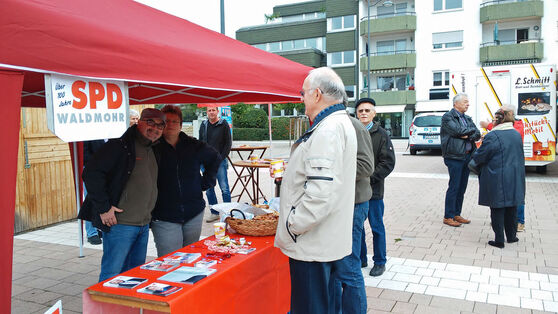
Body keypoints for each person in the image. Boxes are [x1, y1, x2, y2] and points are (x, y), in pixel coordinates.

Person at [275, 67, 357, 314]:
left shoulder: (328, 129)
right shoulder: (338, 123)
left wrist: (293, 225)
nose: (301, 98)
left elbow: (320, 194)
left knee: (310, 307)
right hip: (323, 241)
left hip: (312, 244)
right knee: (325, 305)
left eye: (303, 93)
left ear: (317, 94)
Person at [78, 108, 165, 282]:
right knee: (112, 274)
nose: (155, 128)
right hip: (121, 224)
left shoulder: (154, 148)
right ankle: (104, 308)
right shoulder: (120, 145)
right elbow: (91, 173)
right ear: (139, 122)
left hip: (143, 223)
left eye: (160, 125)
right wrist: (104, 208)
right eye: (150, 122)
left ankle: (129, 309)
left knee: (134, 274)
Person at [151, 105, 220, 257]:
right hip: (164, 215)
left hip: (193, 212)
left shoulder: (192, 145)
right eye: (166, 121)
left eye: (175, 121)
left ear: (181, 124)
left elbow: (215, 157)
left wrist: (206, 182)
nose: (170, 125)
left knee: (190, 258)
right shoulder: (153, 147)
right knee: (170, 260)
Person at [330, 114, 374, 314]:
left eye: (306, 95)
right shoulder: (325, 125)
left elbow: (366, 166)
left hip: (353, 204)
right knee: (334, 270)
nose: (303, 101)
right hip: (335, 205)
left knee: (348, 268)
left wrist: (326, 172)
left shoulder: (352, 125)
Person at [471, 106, 525, 248]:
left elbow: (481, 156)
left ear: (498, 120)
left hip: (498, 176)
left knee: (497, 208)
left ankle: (499, 240)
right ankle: (512, 237)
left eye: (494, 119)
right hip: (514, 176)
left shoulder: (493, 136)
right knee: (512, 206)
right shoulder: (515, 134)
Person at [356, 98, 396, 277]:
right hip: (355, 192)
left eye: (367, 110)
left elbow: (388, 162)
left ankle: (380, 261)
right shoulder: (352, 132)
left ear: (374, 113)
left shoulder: (381, 134)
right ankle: (361, 258)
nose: (363, 113)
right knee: (357, 227)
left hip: (374, 191)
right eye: (360, 111)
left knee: (377, 227)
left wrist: (369, 178)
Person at [441, 93, 481, 227]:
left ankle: (457, 213)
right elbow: (457, 130)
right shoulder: (448, 117)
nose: (467, 104)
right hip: (454, 157)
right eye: (465, 102)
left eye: (468, 102)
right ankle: (448, 216)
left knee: (462, 187)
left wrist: (466, 135)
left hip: (467, 156)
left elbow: (477, 133)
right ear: (455, 104)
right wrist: (464, 133)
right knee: (454, 186)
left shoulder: (467, 118)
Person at [480, 117, 526, 232]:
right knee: (510, 198)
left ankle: (518, 223)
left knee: (508, 200)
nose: (493, 121)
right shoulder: (509, 131)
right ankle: (510, 233)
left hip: (506, 168)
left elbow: (481, 155)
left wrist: (489, 126)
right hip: (510, 167)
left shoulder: (516, 127)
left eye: (495, 119)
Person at [199, 106, 232, 222]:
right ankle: (214, 212)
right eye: (209, 110)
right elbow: (200, 143)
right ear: (207, 112)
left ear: (218, 112)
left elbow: (228, 144)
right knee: (209, 189)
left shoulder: (224, 125)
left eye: (213, 110)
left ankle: (228, 212)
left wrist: (220, 158)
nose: (211, 112)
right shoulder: (204, 125)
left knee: (224, 188)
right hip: (206, 162)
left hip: (220, 161)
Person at [83, 139, 106, 245]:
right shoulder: (90, 133)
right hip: (91, 168)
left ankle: (98, 227)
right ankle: (91, 233)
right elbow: (84, 154)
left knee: (102, 198)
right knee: (91, 199)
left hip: (105, 169)